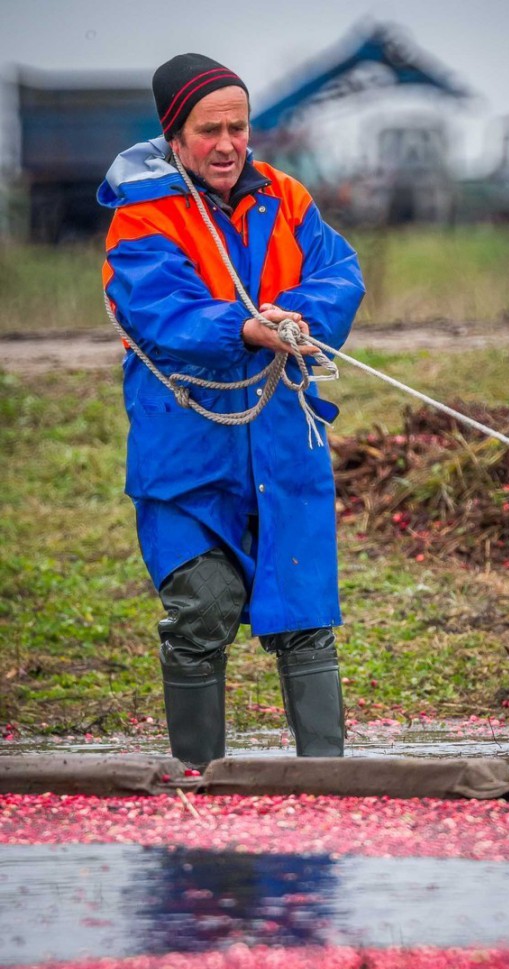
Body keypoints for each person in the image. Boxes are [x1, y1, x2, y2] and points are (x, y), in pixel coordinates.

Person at [98, 53, 365, 768]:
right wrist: (242, 328)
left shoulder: (288, 197)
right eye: (209, 129)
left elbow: (341, 272)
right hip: (187, 450)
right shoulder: (142, 216)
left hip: (285, 443)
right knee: (201, 609)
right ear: (175, 136)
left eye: (238, 127)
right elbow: (156, 309)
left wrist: (299, 315)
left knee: (307, 616)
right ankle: (197, 782)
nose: (226, 144)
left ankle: (327, 783)